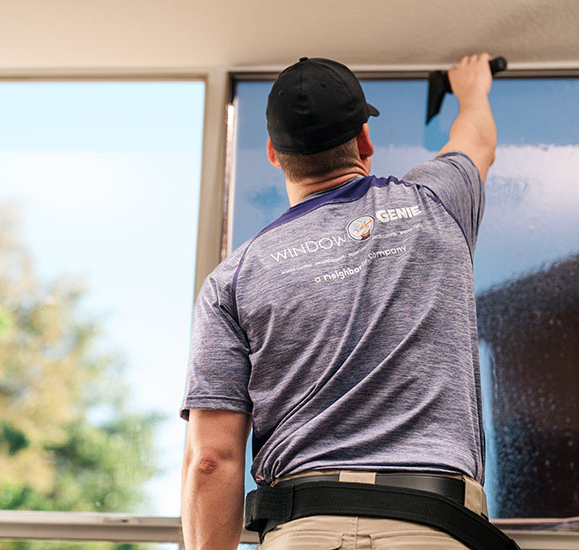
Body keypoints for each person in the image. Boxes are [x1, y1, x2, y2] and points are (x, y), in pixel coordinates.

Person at [180, 54, 502, 549]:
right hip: (433, 529)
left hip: (299, 531)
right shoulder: (434, 203)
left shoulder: (232, 281)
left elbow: (211, 460)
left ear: (273, 153)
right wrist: (472, 90)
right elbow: (475, 140)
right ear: (365, 141)